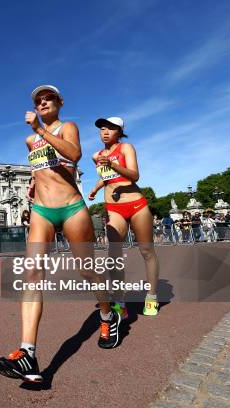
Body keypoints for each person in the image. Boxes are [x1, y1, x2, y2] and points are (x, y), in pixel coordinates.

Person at [0, 85, 119, 384]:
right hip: (41, 211)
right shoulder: (29, 140)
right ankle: (28, 354)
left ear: (60, 102)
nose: (43, 102)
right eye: (38, 100)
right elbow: (41, 165)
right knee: (33, 275)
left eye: (48, 98)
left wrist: (40, 129)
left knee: (86, 271)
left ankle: (107, 314)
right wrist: (33, 182)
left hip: (72, 208)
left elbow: (73, 155)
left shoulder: (68, 126)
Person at [88, 116, 159, 318]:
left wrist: (112, 164)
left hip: (136, 204)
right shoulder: (97, 155)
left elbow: (134, 175)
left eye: (111, 129)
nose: (105, 132)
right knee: (114, 255)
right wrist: (94, 189)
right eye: (102, 129)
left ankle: (152, 296)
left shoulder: (126, 148)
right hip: (114, 208)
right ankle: (120, 301)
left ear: (119, 132)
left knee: (146, 251)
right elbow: (106, 177)